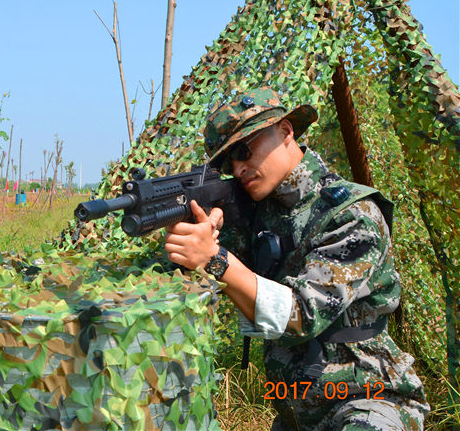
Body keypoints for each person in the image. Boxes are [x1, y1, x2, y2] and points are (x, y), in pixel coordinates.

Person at [163, 87, 429, 430]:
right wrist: (193, 229)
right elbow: (193, 271)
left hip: (367, 399)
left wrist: (216, 258)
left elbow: (302, 315)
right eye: (230, 164)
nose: (239, 168)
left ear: (286, 131)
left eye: (244, 150)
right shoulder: (259, 213)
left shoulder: (351, 214)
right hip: (296, 413)